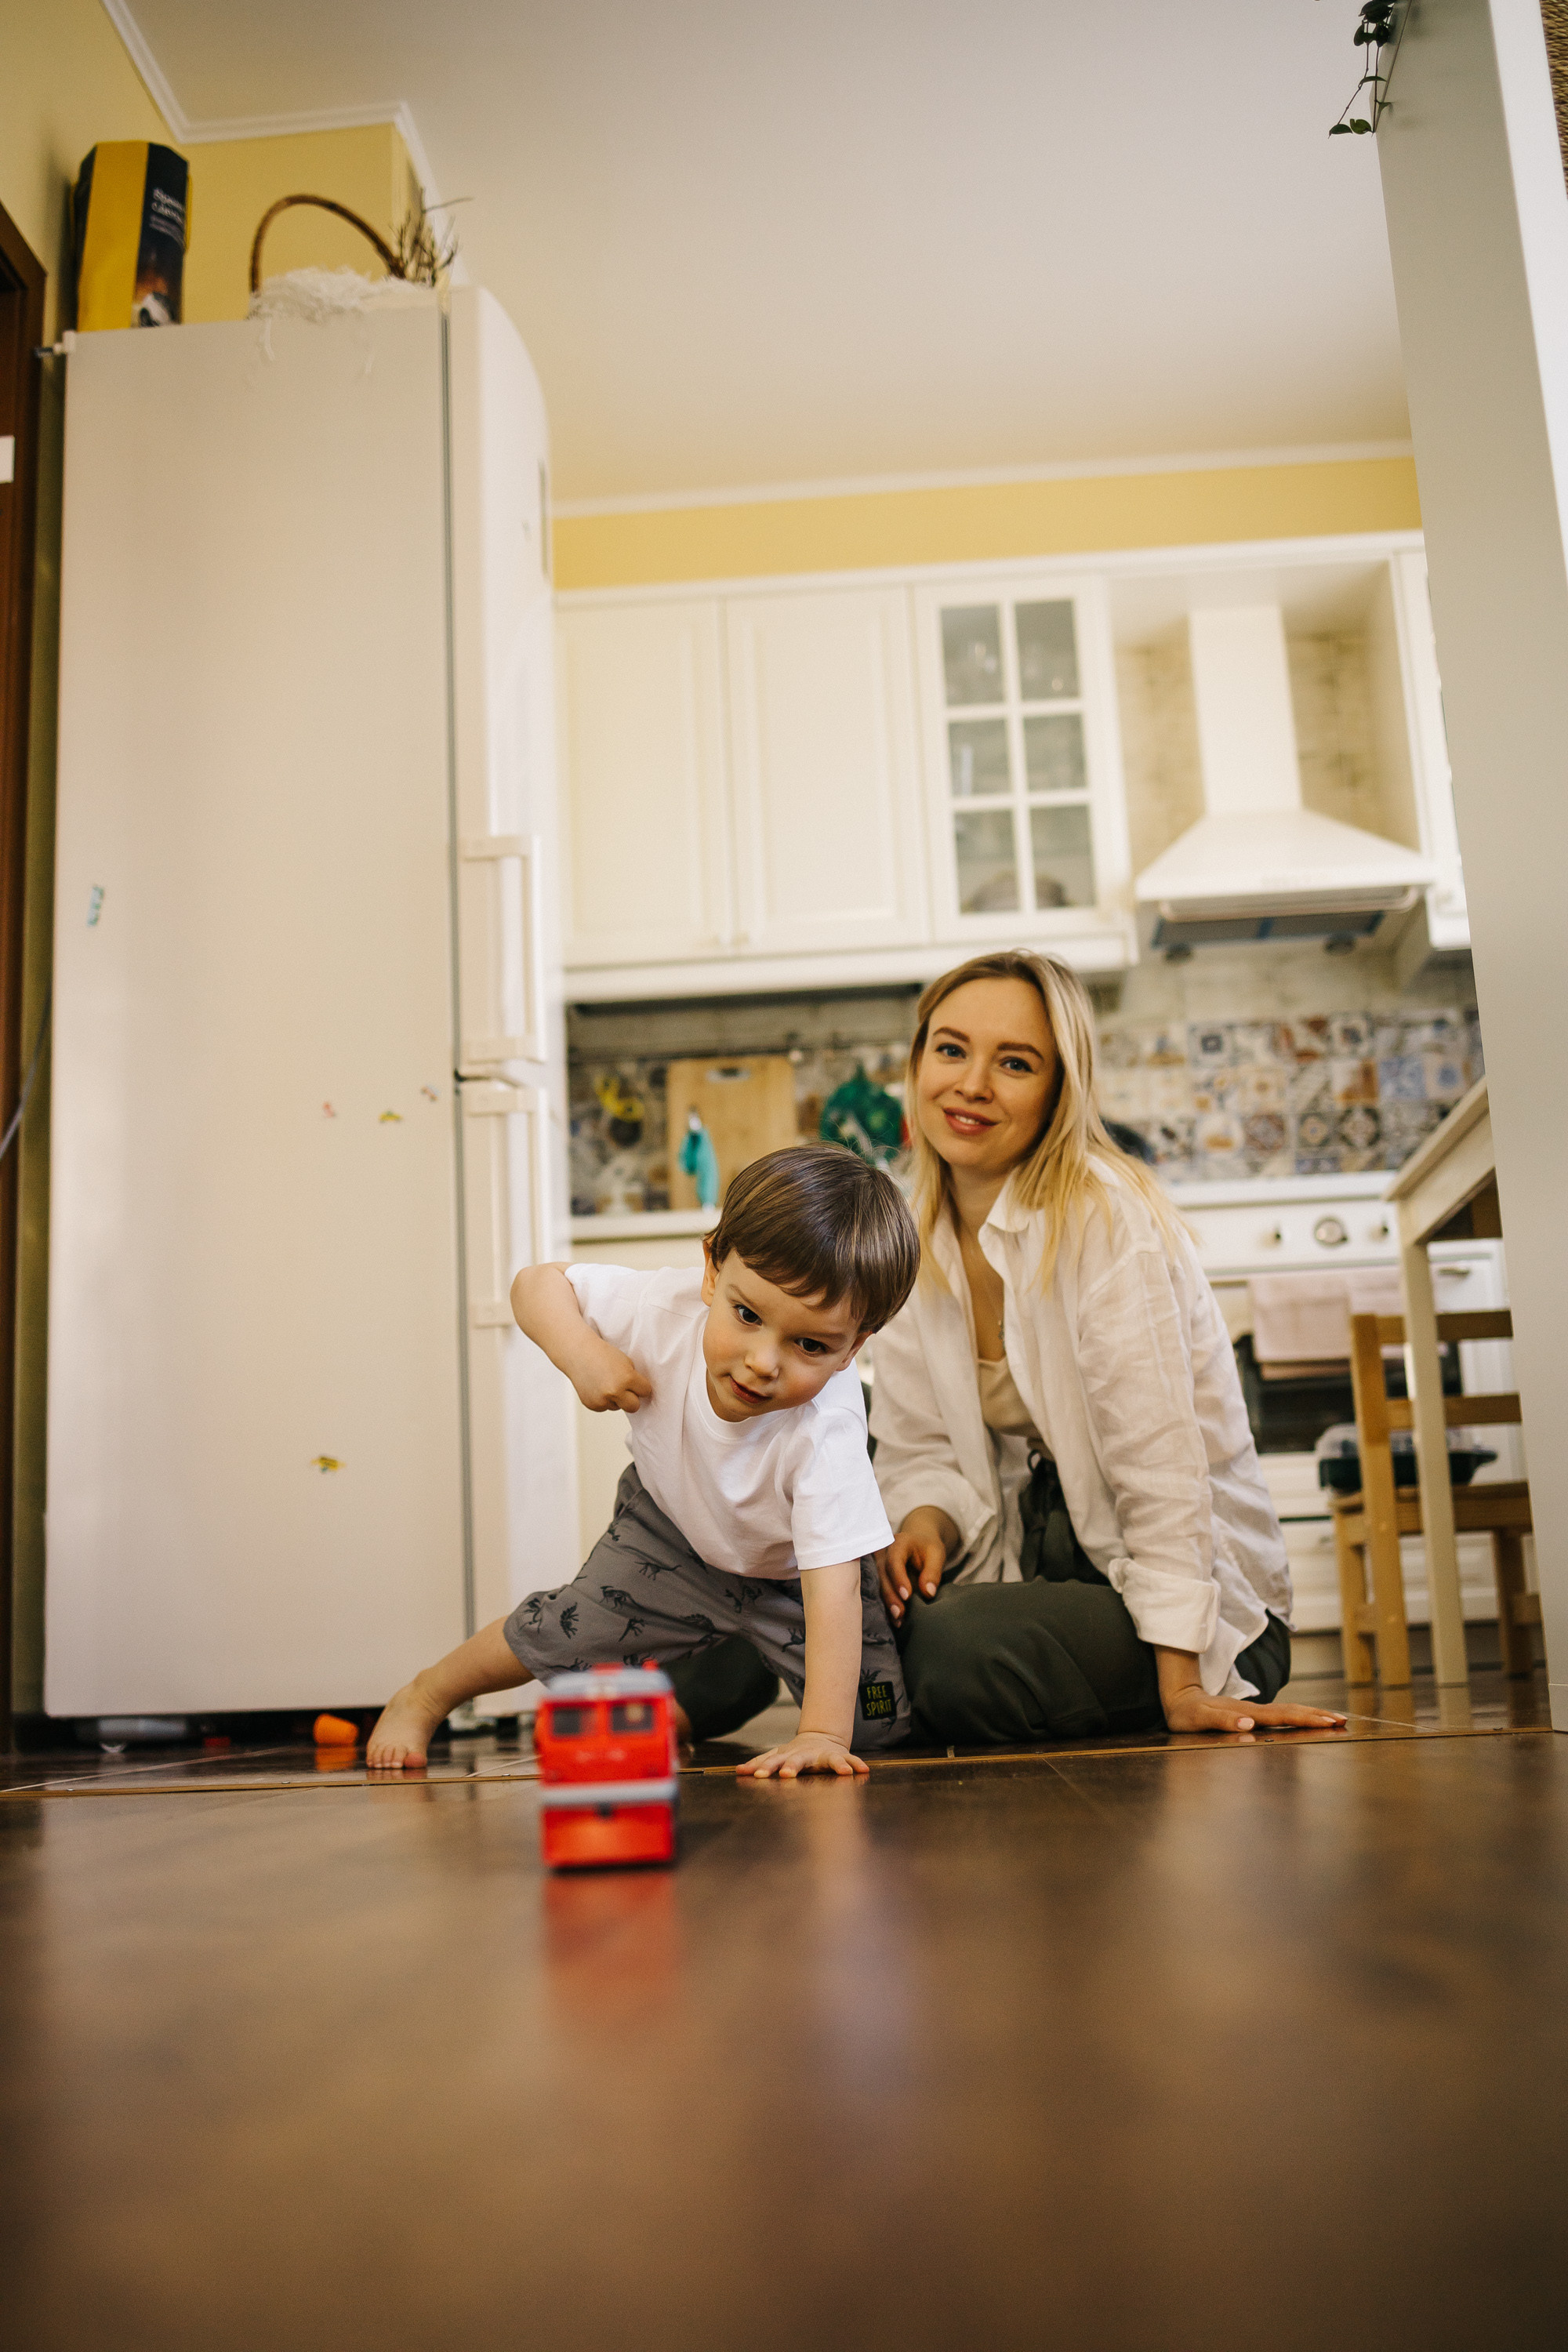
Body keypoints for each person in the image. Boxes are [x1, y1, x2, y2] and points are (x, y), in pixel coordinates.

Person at [868, 948, 1347, 1745]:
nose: (971, 1084)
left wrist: (1184, 1688)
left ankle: (1139, 1684)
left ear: (1059, 1089)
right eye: (950, 1049)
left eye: (1013, 1063)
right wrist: (923, 1522)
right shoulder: (909, 1242)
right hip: (1048, 1576)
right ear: (917, 1061)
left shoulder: (1104, 1216)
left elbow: (1159, 1460)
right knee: (848, 1617)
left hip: (1193, 1614)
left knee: (950, 1653)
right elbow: (920, 1449)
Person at [367, 1144, 920, 1778]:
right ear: (711, 1268)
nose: (764, 1362)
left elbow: (836, 1590)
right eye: (747, 1315)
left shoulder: (829, 1435)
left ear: (855, 1347)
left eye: (810, 1344)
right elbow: (536, 1283)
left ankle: (697, 1699)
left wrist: (821, 1732)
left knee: (873, 1729)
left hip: (795, 1577)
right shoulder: (661, 1307)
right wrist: (579, 1353)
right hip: (672, 1530)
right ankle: (427, 1693)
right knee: (565, 1631)